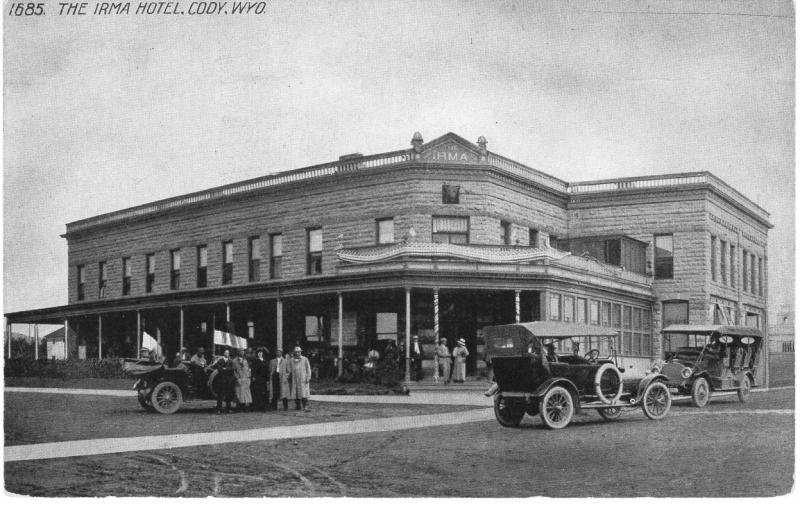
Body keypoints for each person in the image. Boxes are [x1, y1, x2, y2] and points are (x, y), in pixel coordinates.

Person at [286, 346, 312, 411]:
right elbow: (289, 370)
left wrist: (308, 377)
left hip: (303, 379)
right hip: (295, 379)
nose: (297, 353)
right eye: (296, 352)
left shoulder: (305, 359)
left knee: (304, 393)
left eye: (299, 352)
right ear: (294, 352)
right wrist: (288, 376)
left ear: (301, 352)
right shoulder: (291, 360)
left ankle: (305, 406)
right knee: (296, 393)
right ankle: (298, 405)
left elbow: (308, 369)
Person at [210, 349, 235, 414]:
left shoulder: (230, 361)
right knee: (220, 395)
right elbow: (216, 366)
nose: (227, 354)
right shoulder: (220, 360)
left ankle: (228, 409)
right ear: (224, 353)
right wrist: (222, 369)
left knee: (228, 395)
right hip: (221, 379)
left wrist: (226, 369)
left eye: (228, 353)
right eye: (226, 353)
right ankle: (219, 409)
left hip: (228, 380)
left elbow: (232, 369)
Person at [250, 347, 270, 411]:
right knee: (257, 393)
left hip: (264, 379)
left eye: (261, 353)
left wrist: (267, 379)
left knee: (264, 393)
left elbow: (267, 370)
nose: (260, 354)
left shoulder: (265, 361)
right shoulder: (255, 360)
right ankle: (257, 406)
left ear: (262, 353)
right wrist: (253, 376)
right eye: (258, 353)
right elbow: (253, 370)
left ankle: (264, 406)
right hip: (257, 379)